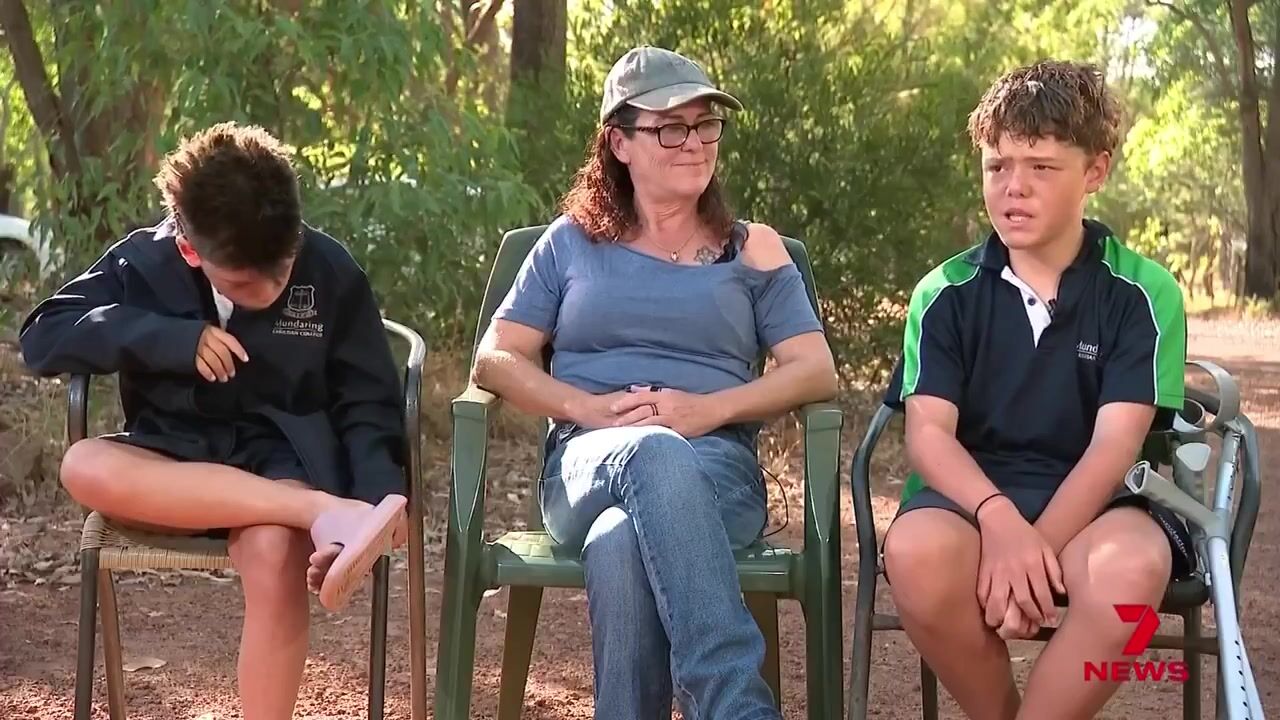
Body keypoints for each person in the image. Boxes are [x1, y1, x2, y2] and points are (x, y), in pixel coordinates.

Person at [472, 46, 838, 719]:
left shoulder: (751, 247)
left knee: (619, 540)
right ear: (620, 143)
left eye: (706, 125)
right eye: (671, 127)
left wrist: (708, 410)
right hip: (587, 463)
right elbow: (495, 359)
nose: (694, 143)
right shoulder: (569, 243)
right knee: (651, 450)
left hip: (718, 473)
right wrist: (587, 408)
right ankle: (735, 705)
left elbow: (816, 369)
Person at [20, 122, 408, 720]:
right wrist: (170, 339)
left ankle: (336, 516)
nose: (275, 286)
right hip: (174, 462)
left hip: (281, 461)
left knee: (275, 553)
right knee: (82, 464)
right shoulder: (143, 261)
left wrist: (380, 497)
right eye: (248, 281)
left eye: (285, 265)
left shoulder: (331, 270)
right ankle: (323, 512)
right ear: (190, 251)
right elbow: (43, 335)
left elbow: (369, 399)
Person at [880, 60, 1193, 720]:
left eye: (1042, 167)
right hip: (970, 499)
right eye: (997, 166)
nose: (1013, 187)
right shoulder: (944, 293)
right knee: (914, 553)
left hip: (1099, 505)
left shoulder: (1144, 293)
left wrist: (1035, 548)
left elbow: (1114, 449)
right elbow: (928, 435)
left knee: (1132, 573)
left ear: (1095, 172)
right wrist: (1000, 522)